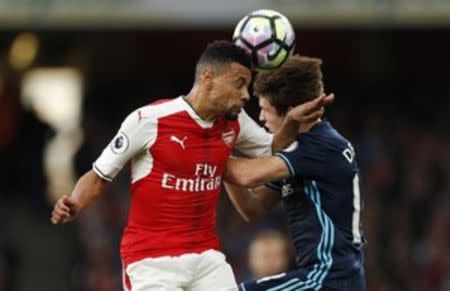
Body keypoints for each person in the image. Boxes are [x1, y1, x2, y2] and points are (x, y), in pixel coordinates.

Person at [50, 41, 333, 291]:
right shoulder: (149, 120)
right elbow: (98, 176)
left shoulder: (234, 123)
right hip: (151, 260)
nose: (246, 95)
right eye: (239, 83)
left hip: (206, 257)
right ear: (208, 78)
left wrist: (292, 123)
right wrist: (74, 202)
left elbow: (272, 149)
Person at [224, 55, 366, 291]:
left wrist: (214, 141)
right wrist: (222, 150)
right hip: (330, 278)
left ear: (291, 112)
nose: (261, 118)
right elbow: (253, 208)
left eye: (264, 110)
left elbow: (244, 176)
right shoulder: (304, 150)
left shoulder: (317, 146)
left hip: (326, 279)